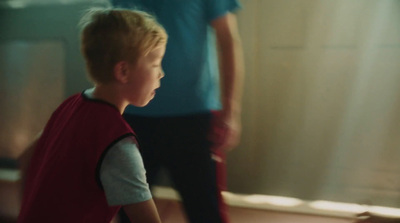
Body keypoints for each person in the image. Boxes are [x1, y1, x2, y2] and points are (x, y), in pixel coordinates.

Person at [17, 7, 167, 223]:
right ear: (123, 72)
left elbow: (27, 156)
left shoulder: (70, 105)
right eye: (155, 63)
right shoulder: (117, 143)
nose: (161, 72)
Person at [111, 0, 245, 222]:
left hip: (193, 116)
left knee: (205, 211)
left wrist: (230, 110)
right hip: (132, 117)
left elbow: (228, 40)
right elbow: (110, 43)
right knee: (130, 214)